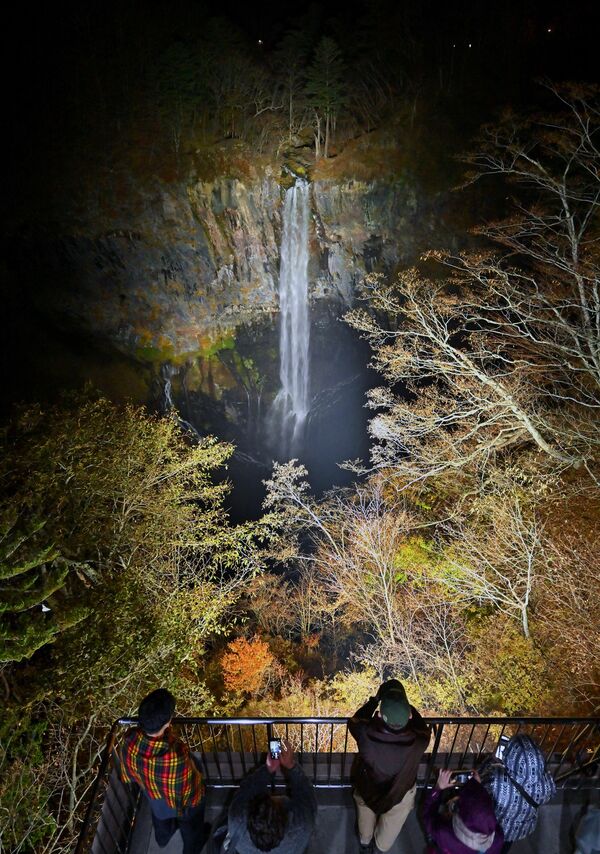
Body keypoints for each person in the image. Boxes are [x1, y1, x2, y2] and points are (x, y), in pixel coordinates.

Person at [348, 678, 431, 854]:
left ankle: (364, 842)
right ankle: (379, 848)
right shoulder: (420, 741)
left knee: (365, 812)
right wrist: (407, 706)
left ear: (379, 715)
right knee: (392, 825)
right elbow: (422, 727)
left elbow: (355, 721)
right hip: (401, 792)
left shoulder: (365, 734)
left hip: (368, 788)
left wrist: (374, 700)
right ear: (409, 715)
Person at [118, 688, 206, 853]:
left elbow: (129, 773)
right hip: (182, 804)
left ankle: (163, 839)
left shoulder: (129, 740)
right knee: (191, 830)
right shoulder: (175, 755)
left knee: (161, 821)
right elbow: (190, 791)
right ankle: (192, 847)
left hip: (153, 795)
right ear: (168, 722)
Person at [222, 740, 316, 853]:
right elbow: (306, 795)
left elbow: (246, 790)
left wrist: (268, 769)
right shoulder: (302, 827)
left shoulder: (237, 821)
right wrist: (290, 766)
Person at [481, 734, 556, 852]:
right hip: (516, 830)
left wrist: (491, 760)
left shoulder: (497, 779)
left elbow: (479, 783)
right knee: (503, 848)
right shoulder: (546, 785)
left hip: (493, 829)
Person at [423, 769, 504, 853]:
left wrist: (438, 788)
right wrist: (477, 788)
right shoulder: (497, 840)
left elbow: (428, 815)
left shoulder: (444, 834)